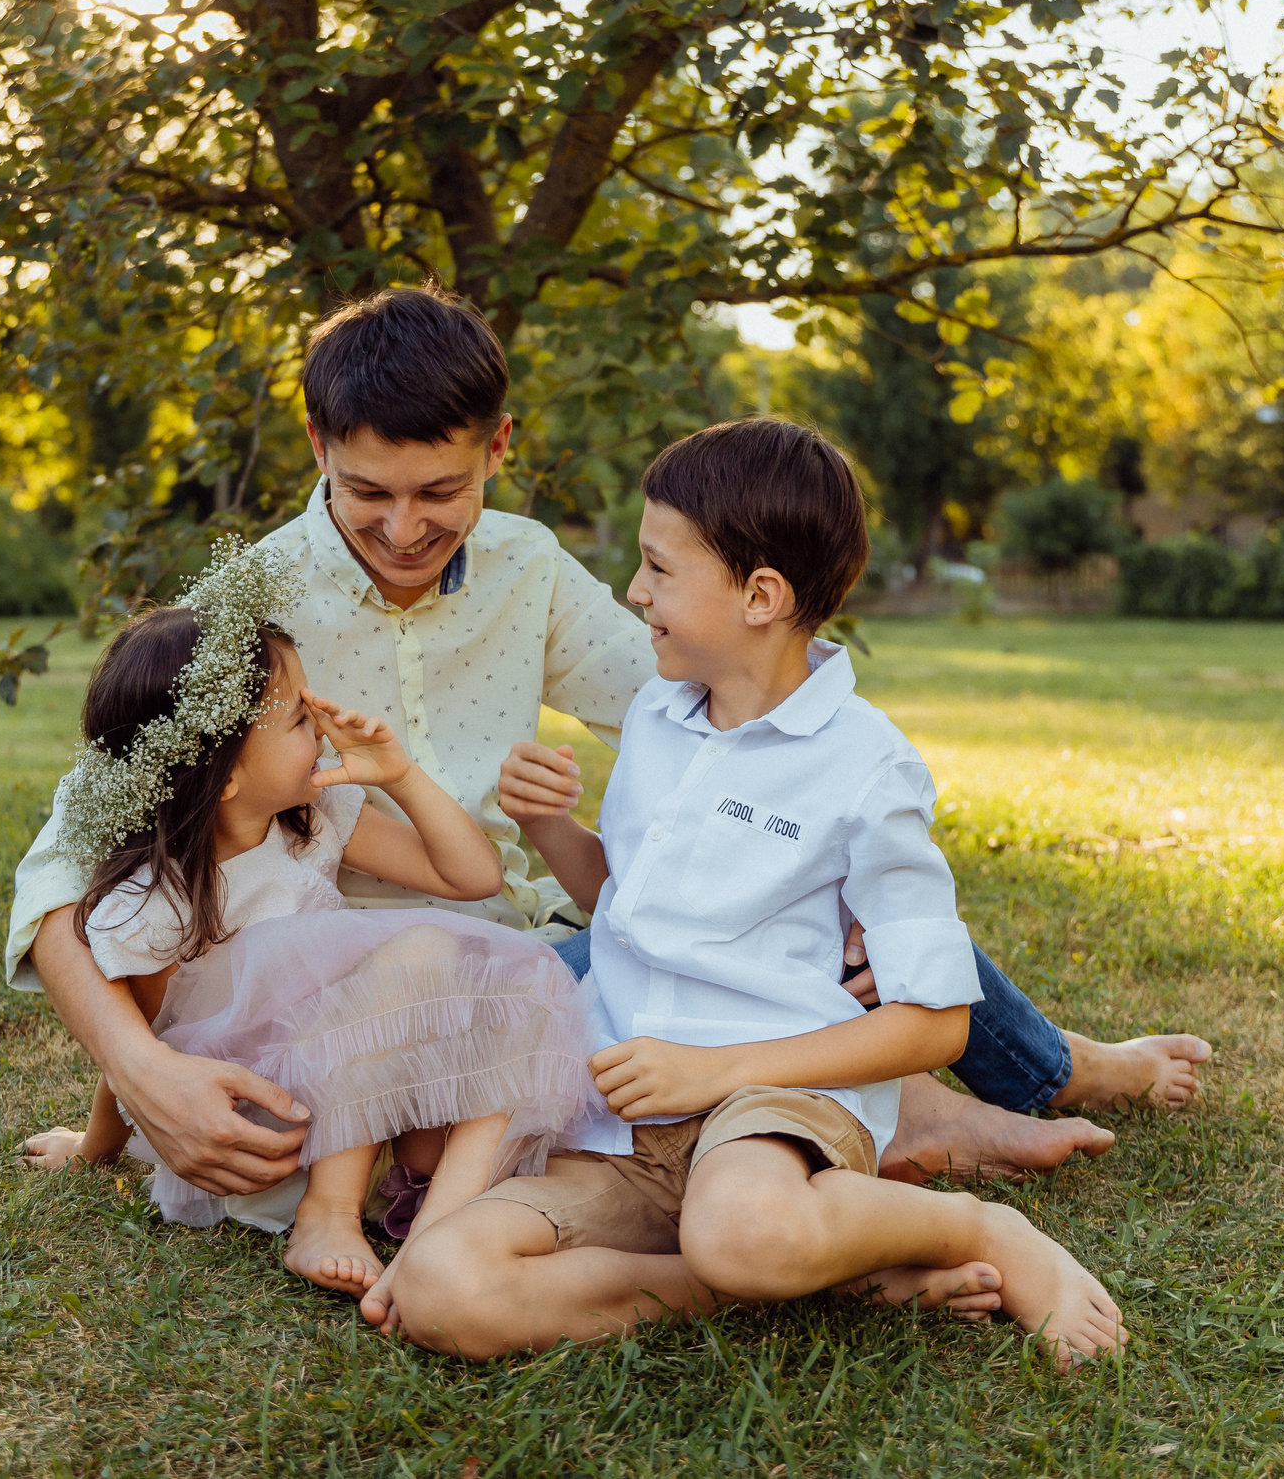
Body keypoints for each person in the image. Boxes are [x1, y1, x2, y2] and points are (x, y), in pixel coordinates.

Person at [6, 286, 1206, 1208]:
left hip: (533, 944)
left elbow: (730, 698)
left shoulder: (526, 565)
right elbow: (71, 856)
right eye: (370, 490)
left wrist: (825, 856)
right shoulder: (249, 604)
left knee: (817, 867)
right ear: (318, 440)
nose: (405, 526)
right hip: (369, 981)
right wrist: (139, 1068)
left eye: (442, 487)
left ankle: (1046, 1066)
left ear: (498, 445)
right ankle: (912, 1113)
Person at [374, 418, 1126, 1368]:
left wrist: (708, 1074)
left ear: (761, 595)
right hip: (620, 1117)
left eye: (657, 569)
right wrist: (551, 827)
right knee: (446, 1287)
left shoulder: (867, 765)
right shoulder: (659, 712)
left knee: (742, 1225)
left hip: (772, 1101)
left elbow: (935, 1025)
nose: (634, 593)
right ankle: (824, 1274)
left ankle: (977, 1229)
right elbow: (632, 909)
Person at [17, 543, 607, 1298]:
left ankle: (438, 1238)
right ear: (227, 773)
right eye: (300, 717)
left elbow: (472, 874)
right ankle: (328, 1216)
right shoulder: (155, 900)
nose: (324, 726)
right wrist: (94, 1148)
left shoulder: (314, 818)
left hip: (365, 1115)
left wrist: (398, 773)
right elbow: (139, 1052)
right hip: (273, 1138)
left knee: (513, 1030)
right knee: (420, 950)